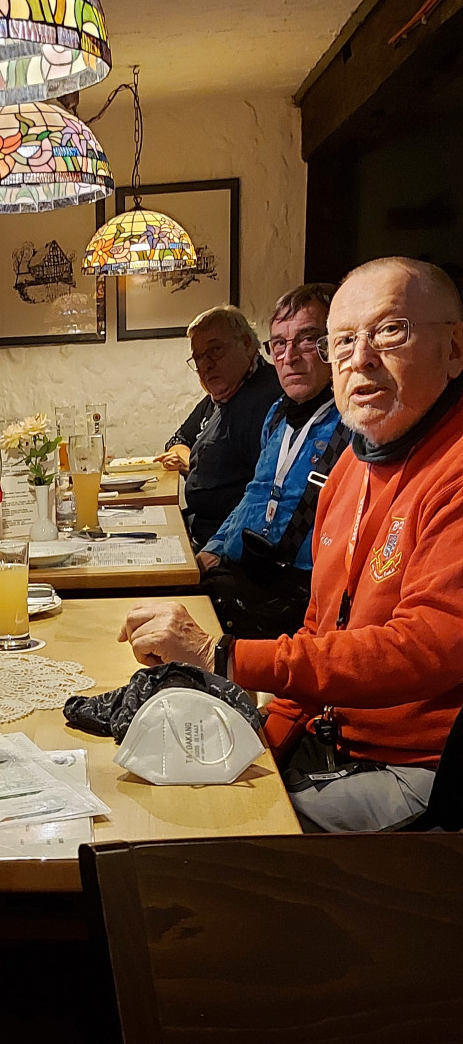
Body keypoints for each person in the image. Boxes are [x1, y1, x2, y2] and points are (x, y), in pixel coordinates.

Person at [119, 257, 463, 833]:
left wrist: (223, 655)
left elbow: (423, 649)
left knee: (209, 835)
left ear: (453, 349)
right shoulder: (353, 466)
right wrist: (264, 743)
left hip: (416, 768)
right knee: (169, 774)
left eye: (389, 331)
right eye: (344, 340)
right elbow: (319, 632)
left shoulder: (453, 470)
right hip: (329, 740)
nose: (360, 358)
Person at [197, 283, 345, 637]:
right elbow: (256, 493)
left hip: (296, 599)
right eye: (279, 343)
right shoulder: (277, 414)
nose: (289, 357)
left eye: (306, 339)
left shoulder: (352, 428)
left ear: (334, 345)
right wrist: (212, 549)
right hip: (242, 570)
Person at [158, 305, 282, 547]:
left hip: (225, 545)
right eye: (198, 357)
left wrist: (216, 549)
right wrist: (193, 462)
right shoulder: (221, 396)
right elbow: (177, 439)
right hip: (200, 530)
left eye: (215, 350)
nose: (206, 365)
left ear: (247, 344)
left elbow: (263, 497)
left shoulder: (266, 400)